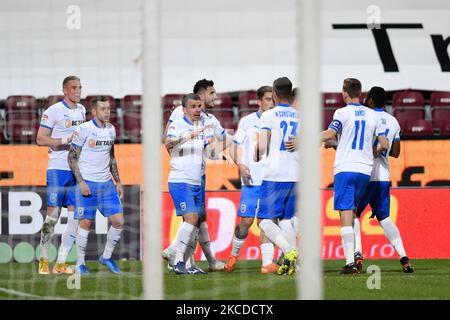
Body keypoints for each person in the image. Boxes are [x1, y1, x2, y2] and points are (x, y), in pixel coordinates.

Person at [321, 78, 389, 275]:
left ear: (344, 93)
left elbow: (329, 133)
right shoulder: (372, 115)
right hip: (365, 170)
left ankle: (350, 262)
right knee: (352, 213)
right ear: (360, 93)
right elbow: (384, 144)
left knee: (345, 214)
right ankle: (355, 255)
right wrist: (371, 152)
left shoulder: (341, 112)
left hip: (345, 168)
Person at [162, 79, 229, 272]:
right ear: (185, 108)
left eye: (199, 107)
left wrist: (218, 151)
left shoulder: (206, 123)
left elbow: (211, 148)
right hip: (181, 178)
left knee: (197, 219)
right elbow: (168, 143)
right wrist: (181, 155)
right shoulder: (179, 120)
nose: (198, 109)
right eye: (194, 106)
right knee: (191, 219)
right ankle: (179, 259)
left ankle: (182, 259)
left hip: (197, 178)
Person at [354, 86, 414, 273]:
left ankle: (357, 254)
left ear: (371, 101)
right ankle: (403, 257)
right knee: (385, 218)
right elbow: (395, 153)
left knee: (353, 215)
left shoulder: (365, 116)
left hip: (364, 173)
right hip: (383, 177)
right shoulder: (393, 121)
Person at [224, 85, 278, 274]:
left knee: (267, 221)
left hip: (271, 180)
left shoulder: (276, 120)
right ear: (259, 101)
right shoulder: (247, 122)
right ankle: (234, 254)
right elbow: (232, 146)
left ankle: (267, 263)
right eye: (268, 99)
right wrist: (239, 165)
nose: (272, 103)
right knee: (246, 222)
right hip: (251, 181)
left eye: (274, 99)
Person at [68, 97, 124, 275]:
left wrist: (118, 181)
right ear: (93, 112)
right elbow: (71, 157)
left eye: (108, 109)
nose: (107, 112)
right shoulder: (84, 129)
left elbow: (112, 156)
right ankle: (80, 263)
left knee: (118, 222)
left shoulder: (111, 129)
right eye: (103, 109)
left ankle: (106, 257)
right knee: (85, 223)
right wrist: (81, 182)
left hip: (107, 183)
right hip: (87, 183)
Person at [36, 75, 86, 275]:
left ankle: (61, 262)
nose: (78, 91)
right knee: (53, 216)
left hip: (76, 169)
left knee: (76, 215)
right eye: (74, 88)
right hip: (58, 168)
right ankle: (44, 257)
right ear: (65, 90)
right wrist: (66, 139)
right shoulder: (54, 111)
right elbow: (40, 139)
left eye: (80, 87)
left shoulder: (82, 110)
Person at [254, 77, 299, 276]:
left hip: (275, 175)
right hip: (296, 175)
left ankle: (289, 251)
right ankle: (296, 266)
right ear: (290, 93)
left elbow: (262, 146)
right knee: (286, 220)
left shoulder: (268, 116)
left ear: (274, 92)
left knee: (263, 220)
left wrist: (256, 154)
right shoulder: (301, 116)